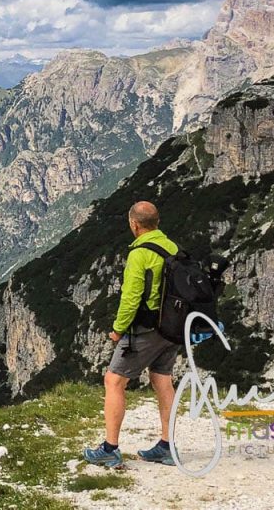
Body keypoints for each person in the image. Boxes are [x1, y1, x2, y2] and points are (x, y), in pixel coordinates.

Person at [82, 200, 180, 468]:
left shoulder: (139, 254)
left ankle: (110, 448)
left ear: (134, 224)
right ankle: (167, 446)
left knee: (113, 380)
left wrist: (118, 329)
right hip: (172, 328)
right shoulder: (171, 247)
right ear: (156, 223)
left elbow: (131, 297)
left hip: (146, 328)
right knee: (162, 380)